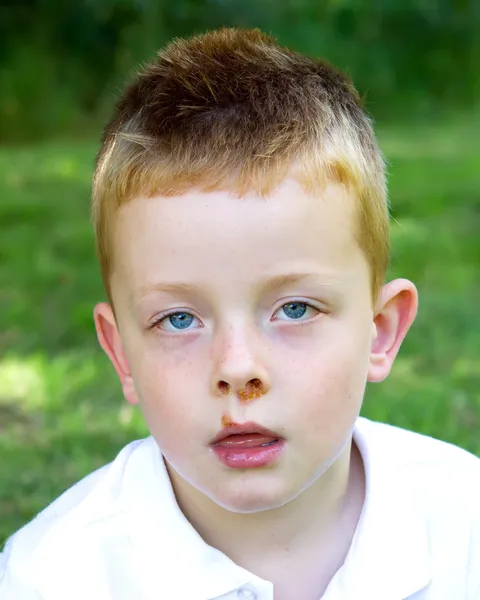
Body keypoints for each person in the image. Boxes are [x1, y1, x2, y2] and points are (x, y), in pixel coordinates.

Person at [0, 27, 478, 600]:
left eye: (295, 308)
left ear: (379, 331)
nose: (237, 370)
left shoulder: (465, 532)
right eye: (179, 319)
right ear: (122, 351)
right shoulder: (52, 578)